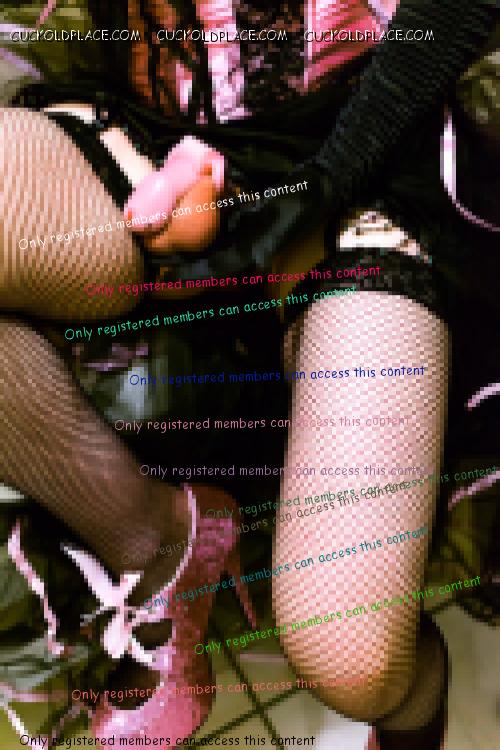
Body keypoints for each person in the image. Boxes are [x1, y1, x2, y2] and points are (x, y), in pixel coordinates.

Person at [1, 0, 499, 748]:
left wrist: (305, 194)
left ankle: (409, 716)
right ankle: (161, 544)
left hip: (367, 150)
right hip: (150, 134)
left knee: (354, 657)